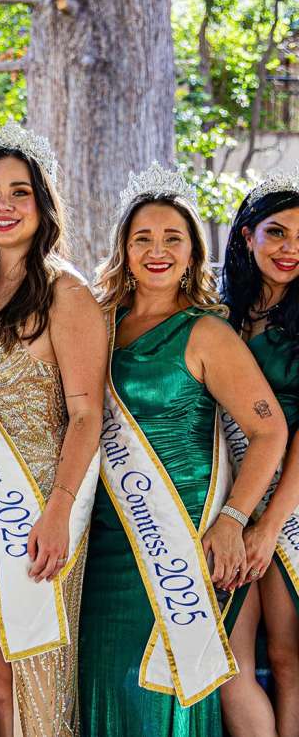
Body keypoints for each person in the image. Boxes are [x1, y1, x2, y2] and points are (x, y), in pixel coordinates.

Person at [78, 162, 287, 737]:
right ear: (123, 248)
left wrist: (234, 519)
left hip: (183, 542)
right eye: (142, 238)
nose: (157, 250)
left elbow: (270, 433)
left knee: (166, 687)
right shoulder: (97, 321)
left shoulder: (206, 332)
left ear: (194, 252)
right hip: (105, 539)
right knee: (102, 681)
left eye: (173, 238)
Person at [0, 122, 106, 737]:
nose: (3, 207)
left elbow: (88, 416)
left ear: (42, 204)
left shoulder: (67, 292)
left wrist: (57, 512)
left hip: (36, 510)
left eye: (20, 192)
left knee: (32, 674)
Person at [219, 174, 299, 737]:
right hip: (227, 502)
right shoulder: (218, 315)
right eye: (277, 232)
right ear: (247, 236)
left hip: (291, 509)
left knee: (290, 658)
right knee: (230, 658)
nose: (290, 248)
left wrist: (269, 523)